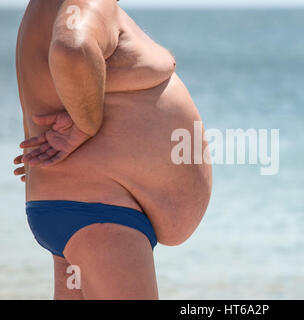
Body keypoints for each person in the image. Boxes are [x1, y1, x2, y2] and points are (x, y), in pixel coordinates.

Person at [13, 0, 212, 300]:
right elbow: (73, 49)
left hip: (83, 210)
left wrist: (48, 144)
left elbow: (51, 82)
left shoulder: (48, 7)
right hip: (101, 215)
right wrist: (86, 125)